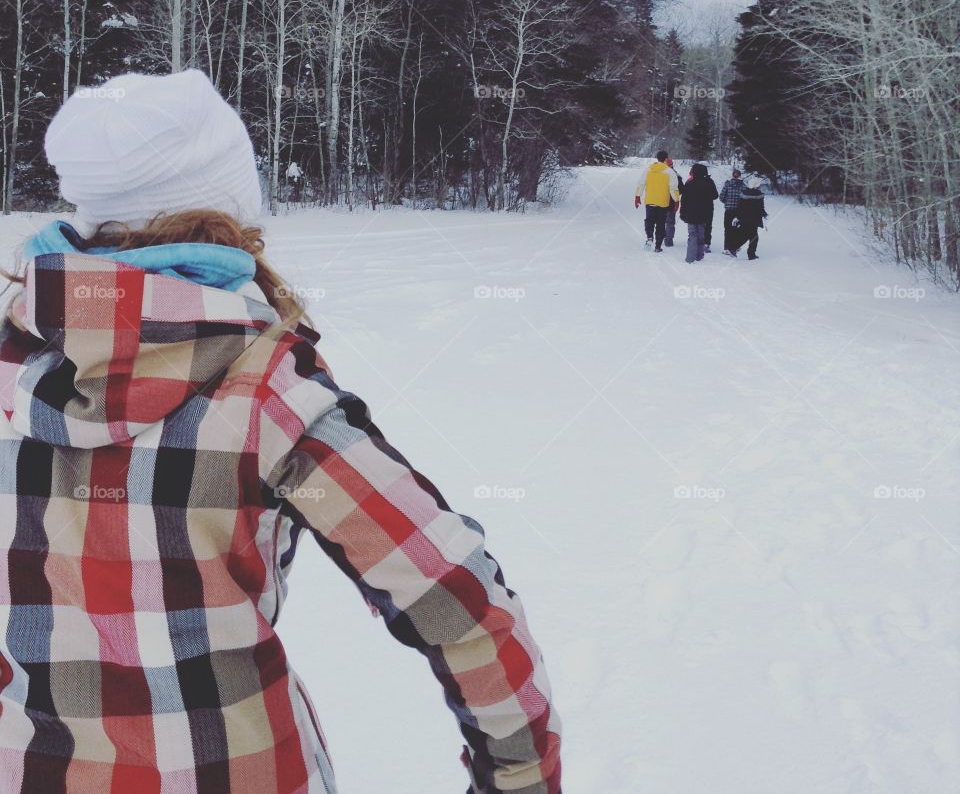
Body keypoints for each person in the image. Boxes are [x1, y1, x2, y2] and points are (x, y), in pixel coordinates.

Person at [0, 71, 561, 794]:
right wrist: (519, 777)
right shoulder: (268, 396)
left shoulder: (13, 367)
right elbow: (458, 601)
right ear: (226, 209)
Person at [635, 149, 679, 252]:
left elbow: (641, 183)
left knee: (649, 220)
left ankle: (649, 237)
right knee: (660, 223)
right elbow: (673, 188)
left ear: (657, 158)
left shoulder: (648, 169)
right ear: (666, 159)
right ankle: (658, 246)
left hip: (650, 200)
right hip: (663, 203)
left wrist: (637, 196)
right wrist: (676, 201)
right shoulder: (670, 172)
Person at [679, 162, 719, 263]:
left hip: (690, 214)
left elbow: (684, 199)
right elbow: (715, 196)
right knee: (701, 236)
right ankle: (699, 257)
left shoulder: (689, 182)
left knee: (692, 235)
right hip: (705, 214)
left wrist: (682, 212)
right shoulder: (709, 182)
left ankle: (690, 258)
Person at [729, 175, 768, 260]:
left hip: (744, 218)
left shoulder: (744, 193)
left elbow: (740, 207)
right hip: (754, 219)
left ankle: (734, 248)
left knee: (746, 235)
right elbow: (760, 208)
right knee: (754, 237)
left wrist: (738, 216)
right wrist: (765, 214)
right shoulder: (759, 195)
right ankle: (751, 255)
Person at [719, 168, 746, 256]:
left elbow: (721, 197)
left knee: (727, 229)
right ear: (740, 176)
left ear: (732, 175)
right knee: (737, 229)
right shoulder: (743, 186)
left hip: (729, 210)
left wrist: (727, 202)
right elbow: (745, 199)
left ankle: (727, 248)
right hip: (739, 211)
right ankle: (735, 247)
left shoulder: (727, 185)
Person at [663, 158, 685, 247]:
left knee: (661, 221)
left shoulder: (660, 174)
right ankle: (668, 240)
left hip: (660, 201)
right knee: (670, 222)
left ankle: (661, 238)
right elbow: (682, 189)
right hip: (672, 201)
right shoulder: (676, 175)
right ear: (672, 165)